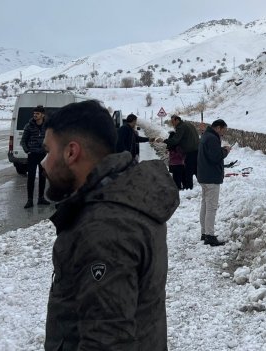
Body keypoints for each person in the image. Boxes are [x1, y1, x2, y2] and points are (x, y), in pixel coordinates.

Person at [41, 100, 179, 350]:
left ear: (71, 152)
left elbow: (107, 341)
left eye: (48, 152)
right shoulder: (127, 198)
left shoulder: (106, 230)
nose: (43, 163)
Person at [197, 119, 231, 246]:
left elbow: (211, 153)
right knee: (211, 207)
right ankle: (210, 236)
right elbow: (216, 156)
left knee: (205, 205)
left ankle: (204, 233)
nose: (223, 133)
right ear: (218, 128)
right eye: (223, 130)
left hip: (204, 176)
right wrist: (226, 150)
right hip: (211, 177)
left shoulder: (206, 136)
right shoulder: (212, 138)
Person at [20, 105, 50, 208]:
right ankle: (30, 200)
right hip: (32, 155)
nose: (35, 115)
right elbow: (23, 140)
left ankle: (41, 198)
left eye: (37, 114)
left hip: (43, 154)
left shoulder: (47, 126)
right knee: (31, 177)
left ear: (42, 115)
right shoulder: (29, 126)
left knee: (42, 177)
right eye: (34, 114)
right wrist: (27, 150)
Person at [163, 115, 199, 189]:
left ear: (177, 120)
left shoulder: (181, 127)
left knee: (188, 172)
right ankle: (203, 184)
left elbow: (175, 140)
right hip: (196, 150)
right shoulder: (188, 124)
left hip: (189, 152)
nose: (172, 124)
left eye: (173, 122)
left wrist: (164, 141)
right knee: (196, 170)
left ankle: (189, 188)